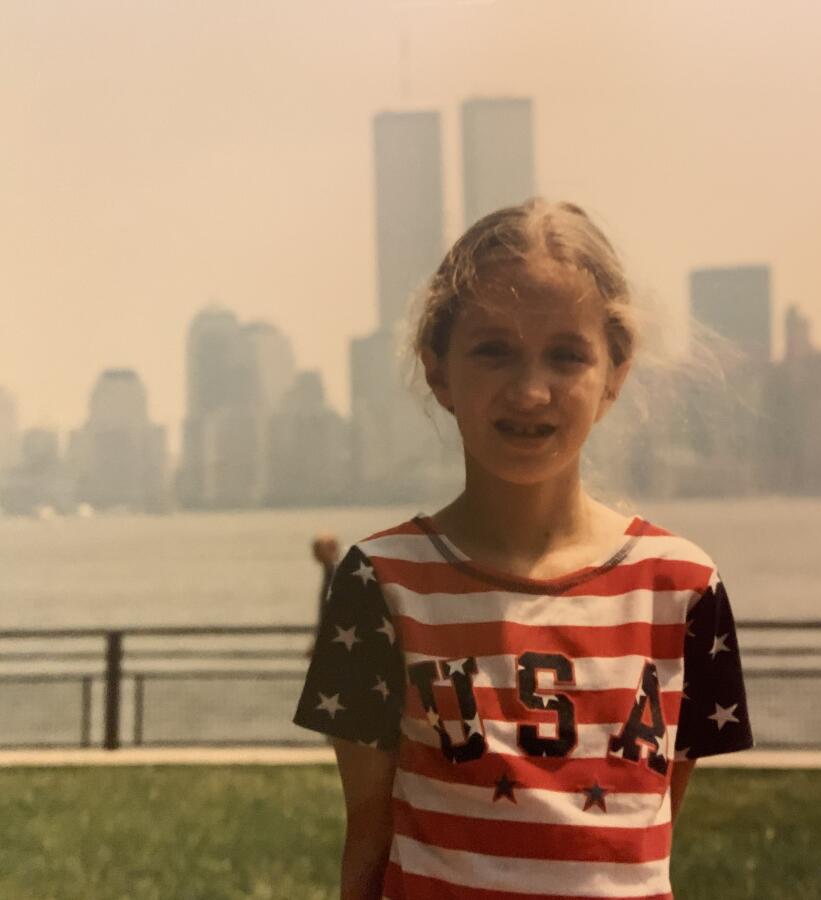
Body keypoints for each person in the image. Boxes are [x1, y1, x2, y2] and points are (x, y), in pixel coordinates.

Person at [293, 199, 754, 900]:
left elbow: (651, 831)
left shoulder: (684, 589)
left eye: (566, 355)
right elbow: (368, 838)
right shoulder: (381, 583)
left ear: (615, 373)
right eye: (493, 350)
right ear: (439, 371)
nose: (530, 390)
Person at [306, 533, 340, 658]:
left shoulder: (336, 574)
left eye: (317, 549)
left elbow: (329, 612)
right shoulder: (330, 572)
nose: (314, 554)